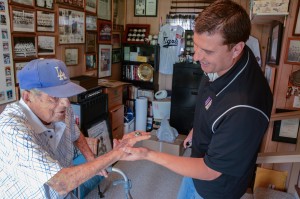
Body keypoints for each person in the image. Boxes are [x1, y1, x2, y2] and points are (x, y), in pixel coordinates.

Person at [121, 1, 273, 198]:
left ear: (236, 49)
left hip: (215, 189)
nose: (196, 57)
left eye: (207, 51)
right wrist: (198, 128)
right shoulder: (223, 62)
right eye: (197, 46)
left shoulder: (245, 108)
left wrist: (147, 154)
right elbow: (211, 104)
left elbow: (210, 170)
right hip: (197, 161)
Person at [0, 58, 150, 198]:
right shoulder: (11, 129)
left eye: (65, 94)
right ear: (28, 97)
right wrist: (117, 153)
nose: (66, 103)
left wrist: (91, 160)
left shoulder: (63, 109)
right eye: (55, 97)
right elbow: (61, 183)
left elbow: (76, 134)